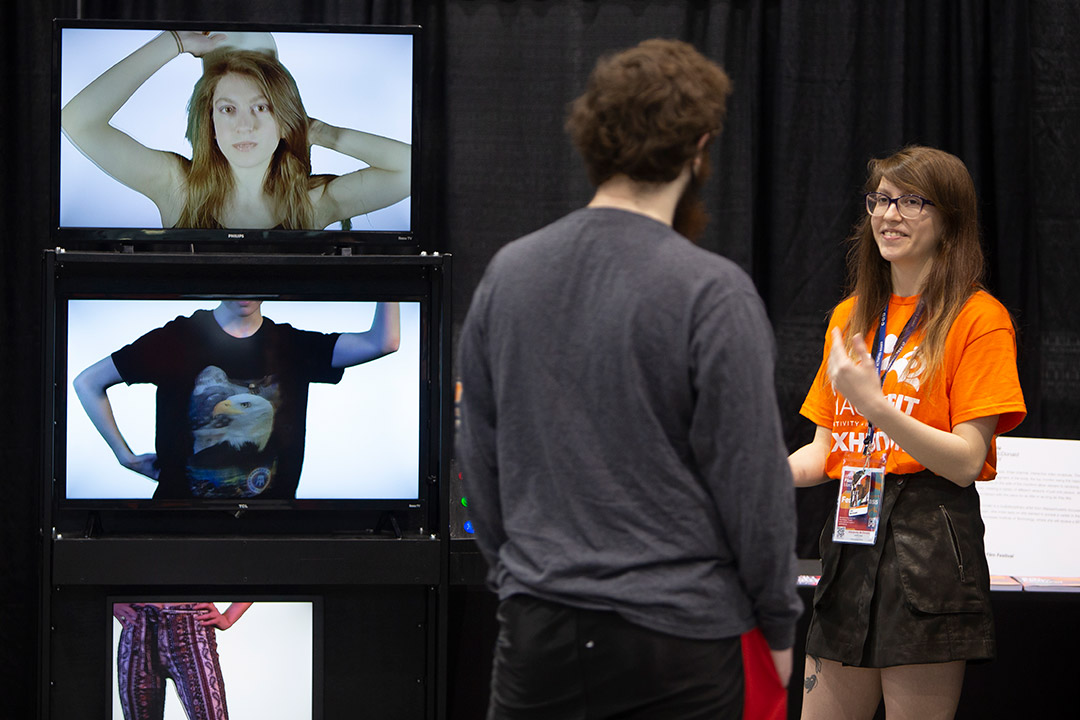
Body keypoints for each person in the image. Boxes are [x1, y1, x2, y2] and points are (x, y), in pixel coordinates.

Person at [456, 39, 802, 720]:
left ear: (594, 138)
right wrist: (779, 624)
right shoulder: (713, 292)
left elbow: (478, 456)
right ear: (700, 148)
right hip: (681, 642)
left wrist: (517, 579)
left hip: (540, 632)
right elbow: (754, 484)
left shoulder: (510, 273)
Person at [788, 146, 1027, 719]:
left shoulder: (978, 317)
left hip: (929, 544)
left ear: (949, 217)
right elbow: (824, 453)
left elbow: (967, 460)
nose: (889, 215)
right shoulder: (850, 316)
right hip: (849, 538)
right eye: (880, 200)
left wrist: (877, 407)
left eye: (910, 201)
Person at [61, 30, 410, 230]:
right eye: (228, 109)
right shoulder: (176, 188)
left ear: (284, 119)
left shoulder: (314, 203)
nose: (245, 125)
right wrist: (174, 42)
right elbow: (77, 121)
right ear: (209, 122)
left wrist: (320, 132)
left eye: (262, 107)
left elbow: (414, 171)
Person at [74, 300, 399, 499]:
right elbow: (87, 382)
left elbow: (384, 342)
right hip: (178, 527)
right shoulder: (177, 339)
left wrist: (393, 266)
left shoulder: (292, 346)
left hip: (270, 534)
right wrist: (124, 457)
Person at [114, 601, 251, 720]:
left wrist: (229, 617)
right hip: (138, 627)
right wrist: (113, 603)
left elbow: (266, 571)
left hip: (191, 627)